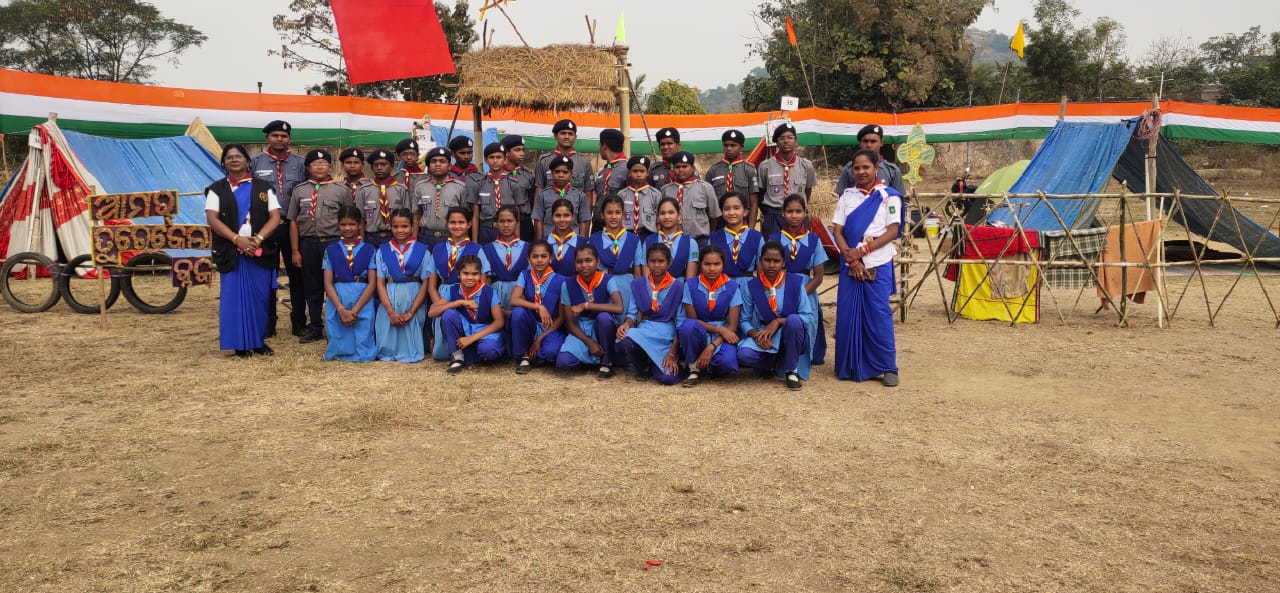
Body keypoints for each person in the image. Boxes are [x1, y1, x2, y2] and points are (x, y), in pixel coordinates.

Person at [833, 148, 902, 387]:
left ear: (876, 168)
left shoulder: (888, 196)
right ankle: (851, 364)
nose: (861, 172)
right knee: (848, 313)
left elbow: (892, 231)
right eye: (857, 168)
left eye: (866, 167)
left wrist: (862, 252)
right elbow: (837, 231)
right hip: (850, 264)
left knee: (878, 314)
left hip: (877, 262)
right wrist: (852, 259)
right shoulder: (847, 196)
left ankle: (887, 366)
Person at [206, 143, 281, 357]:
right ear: (223, 163)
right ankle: (239, 344)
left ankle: (258, 342)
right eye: (229, 157)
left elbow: (275, 217)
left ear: (248, 161)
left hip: (258, 251)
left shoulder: (264, 187)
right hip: (232, 252)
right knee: (233, 299)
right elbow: (212, 218)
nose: (234, 159)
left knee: (260, 298)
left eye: (238, 156)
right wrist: (236, 239)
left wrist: (257, 239)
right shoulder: (216, 189)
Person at [287, 149, 355, 343]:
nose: (319, 167)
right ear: (308, 168)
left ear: (330, 166)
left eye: (324, 164)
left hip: (333, 243)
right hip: (308, 244)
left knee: (337, 285)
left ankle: (336, 324)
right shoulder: (300, 190)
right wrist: (295, 250)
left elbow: (350, 220)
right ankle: (316, 325)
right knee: (312, 286)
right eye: (315, 164)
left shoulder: (341, 190)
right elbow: (293, 221)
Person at [250, 120, 305, 338]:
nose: (280, 139)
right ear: (267, 138)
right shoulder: (255, 162)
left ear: (289, 138)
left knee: (297, 276)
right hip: (265, 229)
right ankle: (267, 323)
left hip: (293, 227)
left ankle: (299, 322)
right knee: (266, 276)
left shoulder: (300, 163)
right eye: (275, 135)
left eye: (283, 136)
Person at [738, 241, 816, 390]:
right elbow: (744, 319)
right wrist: (755, 334)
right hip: (764, 333)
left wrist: (779, 321)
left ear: (783, 262)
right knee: (743, 355)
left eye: (776, 261)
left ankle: (791, 370)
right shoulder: (751, 286)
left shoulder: (795, 283)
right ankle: (769, 363)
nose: (771, 265)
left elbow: (807, 316)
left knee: (793, 320)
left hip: (792, 334)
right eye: (767, 260)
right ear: (760, 261)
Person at [772, 193, 830, 365]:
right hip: (779, 289)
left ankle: (803, 360)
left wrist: (800, 295)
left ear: (805, 213)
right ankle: (779, 358)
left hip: (807, 290)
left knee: (807, 323)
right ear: (782, 213)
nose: (794, 215)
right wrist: (785, 294)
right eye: (789, 211)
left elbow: (819, 276)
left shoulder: (813, 240)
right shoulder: (774, 239)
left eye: (798, 211)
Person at [617, 242, 685, 385]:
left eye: (661, 261)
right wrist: (626, 324)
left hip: (666, 333)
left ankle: (659, 364)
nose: (656, 265)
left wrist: (672, 353)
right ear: (647, 263)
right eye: (652, 261)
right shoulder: (638, 284)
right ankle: (643, 366)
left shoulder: (679, 286)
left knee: (668, 379)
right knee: (625, 338)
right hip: (645, 329)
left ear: (669, 262)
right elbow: (632, 313)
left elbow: (681, 322)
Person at [429, 254, 506, 374]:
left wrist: (471, 338)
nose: (470, 277)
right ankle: (457, 356)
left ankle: (478, 354)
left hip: (485, 332)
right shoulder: (453, 290)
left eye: (474, 274)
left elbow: (499, 321)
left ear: (480, 275)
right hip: (464, 331)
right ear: (458, 275)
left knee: (489, 352)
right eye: (466, 273)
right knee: (448, 314)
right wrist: (458, 302)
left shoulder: (489, 291)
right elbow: (432, 312)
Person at [373, 208, 432, 363]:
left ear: (412, 227)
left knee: (410, 327)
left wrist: (412, 311)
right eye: (396, 226)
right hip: (389, 296)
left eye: (405, 226)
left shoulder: (423, 251)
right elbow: (380, 283)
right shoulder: (382, 251)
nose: (400, 230)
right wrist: (391, 312)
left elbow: (425, 283)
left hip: (414, 296)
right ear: (390, 227)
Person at [678, 245, 742, 387]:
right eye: (707, 264)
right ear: (700, 264)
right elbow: (692, 321)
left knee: (727, 363)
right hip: (701, 331)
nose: (711, 269)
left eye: (716, 264)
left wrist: (712, 346)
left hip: (722, 338)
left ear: (723, 265)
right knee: (687, 327)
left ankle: (710, 367)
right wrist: (719, 329)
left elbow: (732, 326)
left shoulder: (732, 287)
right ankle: (693, 368)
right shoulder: (690, 284)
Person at [556, 244, 623, 378]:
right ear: (575, 265)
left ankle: (606, 362)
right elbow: (570, 323)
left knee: (604, 318)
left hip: (601, 327)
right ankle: (589, 356)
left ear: (597, 261)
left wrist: (586, 306)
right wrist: (590, 342)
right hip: (580, 329)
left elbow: (619, 308)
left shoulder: (608, 280)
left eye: (589, 260)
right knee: (563, 362)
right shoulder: (567, 284)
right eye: (579, 262)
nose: (584, 265)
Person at [322, 203, 377, 362]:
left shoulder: (370, 249)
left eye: (352, 224)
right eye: (343, 224)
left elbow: (372, 283)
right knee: (339, 329)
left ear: (360, 225)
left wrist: (355, 310)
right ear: (338, 225)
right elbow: (328, 282)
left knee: (362, 329)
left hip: (362, 298)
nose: (348, 228)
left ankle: (362, 354)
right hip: (338, 298)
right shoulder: (330, 250)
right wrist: (341, 309)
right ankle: (339, 352)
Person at [509, 240, 567, 374]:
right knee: (518, 313)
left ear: (551, 258)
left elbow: (562, 317)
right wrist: (539, 307)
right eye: (535, 256)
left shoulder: (561, 280)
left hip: (550, 326)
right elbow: (514, 299)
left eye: (544, 256)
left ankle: (537, 351)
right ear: (528, 259)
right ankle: (524, 355)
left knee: (550, 352)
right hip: (530, 323)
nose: (539, 260)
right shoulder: (524, 275)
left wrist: (540, 338)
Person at [756, 122, 817, 238]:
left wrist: (797, 209)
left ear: (796, 141)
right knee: (772, 251)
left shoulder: (806, 166)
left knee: (799, 250)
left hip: (798, 216)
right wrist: (768, 213)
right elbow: (761, 193)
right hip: (774, 216)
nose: (786, 141)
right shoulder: (765, 166)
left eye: (790, 138)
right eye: (782, 138)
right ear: (777, 142)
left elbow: (807, 191)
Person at [660, 151, 721, 246]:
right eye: (677, 167)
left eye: (684, 166)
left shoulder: (705, 188)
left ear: (692, 168)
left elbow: (713, 216)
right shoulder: (665, 190)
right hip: (672, 240)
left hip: (699, 240)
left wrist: (707, 233)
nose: (680, 170)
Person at [357, 148, 412, 248]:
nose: (379, 168)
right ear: (371, 168)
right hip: (371, 238)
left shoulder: (401, 190)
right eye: (376, 165)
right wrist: (362, 242)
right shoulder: (364, 190)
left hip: (395, 237)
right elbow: (361, 219)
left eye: (383, 164)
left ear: (391, 166)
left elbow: (407, 217)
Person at [413, 147, 467, 248]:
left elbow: (465, 217)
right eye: (433, 161)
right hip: (425, 236)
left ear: (450, 166)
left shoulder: (460, 187)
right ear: (428, 166)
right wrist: (414, 241)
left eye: (442, 161)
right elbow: (416, 216)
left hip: (450, 236)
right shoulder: (420, 187)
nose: (438, 164)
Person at [705, 129, 760, 229]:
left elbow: (754, 203)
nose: (729, 149)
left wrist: (751, 229)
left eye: (733, 145)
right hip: (719, 221)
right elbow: (708, 202)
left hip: (742, 220)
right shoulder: (713, 170)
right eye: (726, 145)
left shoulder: (749, 170)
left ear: (741, 147)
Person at [834, 124, 905, 197]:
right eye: (865, 141)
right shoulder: (849, 169)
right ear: (860, 143)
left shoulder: (892, 171)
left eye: (873, 141)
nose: (868, 145)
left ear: (881, 143)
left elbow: (899, 199)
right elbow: (842, 197)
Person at [709, 191, 764, 286]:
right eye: (726, 209)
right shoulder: (714, 237)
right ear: (721, 212)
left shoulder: (757, 237)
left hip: (748, 287)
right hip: (721, 287)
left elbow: (761, 267)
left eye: (736, 208)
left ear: (746, 211)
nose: (731, 212)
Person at [534, 119, 594, 204]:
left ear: (575, 137)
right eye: (563, 133)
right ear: (555, 136)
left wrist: (586, 216)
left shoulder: (584, 162)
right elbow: (538, 190)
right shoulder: (543, 161)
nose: (567, 137)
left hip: (575, 214)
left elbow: (588, 193)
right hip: (549, 213)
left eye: (570, 134)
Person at [471, 142, 520, 243]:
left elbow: (517, 216)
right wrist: (474, 243)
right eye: (491, 157)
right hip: (486, 230)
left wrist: (517, 240)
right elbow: (475, 216)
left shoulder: (514, 184)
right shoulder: (479, 183)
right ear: (486, 160)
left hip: (508, 230)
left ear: (505, 160)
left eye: (499, 157)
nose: (495, 161)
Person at [480, 205, 528, 310]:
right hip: (496, 296)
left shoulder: (528, 248)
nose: (506, 225)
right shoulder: (486, 249)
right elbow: (485, 280)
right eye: (501, 221)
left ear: (517, 223)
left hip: (521, 294)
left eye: (510, 221)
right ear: (496, 224)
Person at [532, 156, 591, 238]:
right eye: (557, 172)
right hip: (549, 241)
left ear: (571, 173)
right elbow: (538, 221)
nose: (561, 175)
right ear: (551, 173)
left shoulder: (580, 196)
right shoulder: (542, 195)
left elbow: (583, 221)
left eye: (565, 172)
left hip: (573, 241)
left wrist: (582, 243)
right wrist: (539, 243)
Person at [643, 197, 698, 278]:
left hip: (680, 288)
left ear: (679, 216)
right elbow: (646, 273)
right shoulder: (649, 241)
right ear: (658, 217)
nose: (666, 216)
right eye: (662, 213)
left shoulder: (690, 242)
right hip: (654, 288)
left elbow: (690, 279)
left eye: (671, 212)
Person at [589, 195, 643, 279]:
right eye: (609, 213)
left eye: (618, 212)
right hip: (602, 286)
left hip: (627, 287)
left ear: (623, 214)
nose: (613, 217)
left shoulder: (634, 240)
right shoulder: (594, 240)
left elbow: (637, 272)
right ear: (602, 215)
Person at [500, 134, 537, 240]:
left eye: (523, 150)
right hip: (504, 222)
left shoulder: (527, 175)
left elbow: (531, 198)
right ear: (506, 153)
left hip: (524, 221)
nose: (522, 154)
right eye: (517, 150)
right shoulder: (498, 174)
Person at [593, 128, 628, 230]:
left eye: (600, 145)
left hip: (618, 226)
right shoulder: (603, 170)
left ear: (604, 146)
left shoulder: (628, 170)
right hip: (598, 224)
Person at [620, 155, 661, 238]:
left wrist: (659, 237)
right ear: (629, 173)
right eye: (635, 171)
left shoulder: (655, 195)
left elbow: (659, 220)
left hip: (648, 235)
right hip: (627, 234)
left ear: (647, 173)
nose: (638, 174)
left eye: (642, 171)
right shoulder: (622, 195)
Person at [543, 199, 585, 276]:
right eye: (558, 215)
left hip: (574, 287)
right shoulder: (543, 243)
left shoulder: (583, 243)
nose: (562, 220)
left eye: (566, 215)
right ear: (552, 217)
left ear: (573, 217)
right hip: (549, 287)